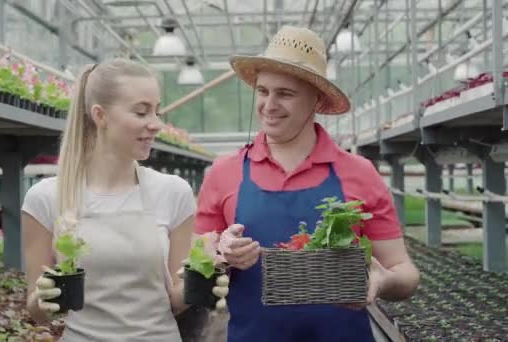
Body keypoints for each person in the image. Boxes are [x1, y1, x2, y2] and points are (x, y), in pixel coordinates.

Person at [195, 26, 421, 341]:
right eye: (263, 91)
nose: (269, 105)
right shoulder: (224, 172)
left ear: (316, 100)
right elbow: (195, 262)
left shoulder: (359, 172)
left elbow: (405, 274)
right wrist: (220, 254)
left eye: (284, 93)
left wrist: (382, 281)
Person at [21, 59, 228, 341]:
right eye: (141, 112)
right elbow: (36, 311)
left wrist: (203, 284)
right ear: (100, 115)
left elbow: (175, 300)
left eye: (156, 111)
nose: (155, 124)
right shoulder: (44, 198)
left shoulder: (172, 192)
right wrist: (44, 298)